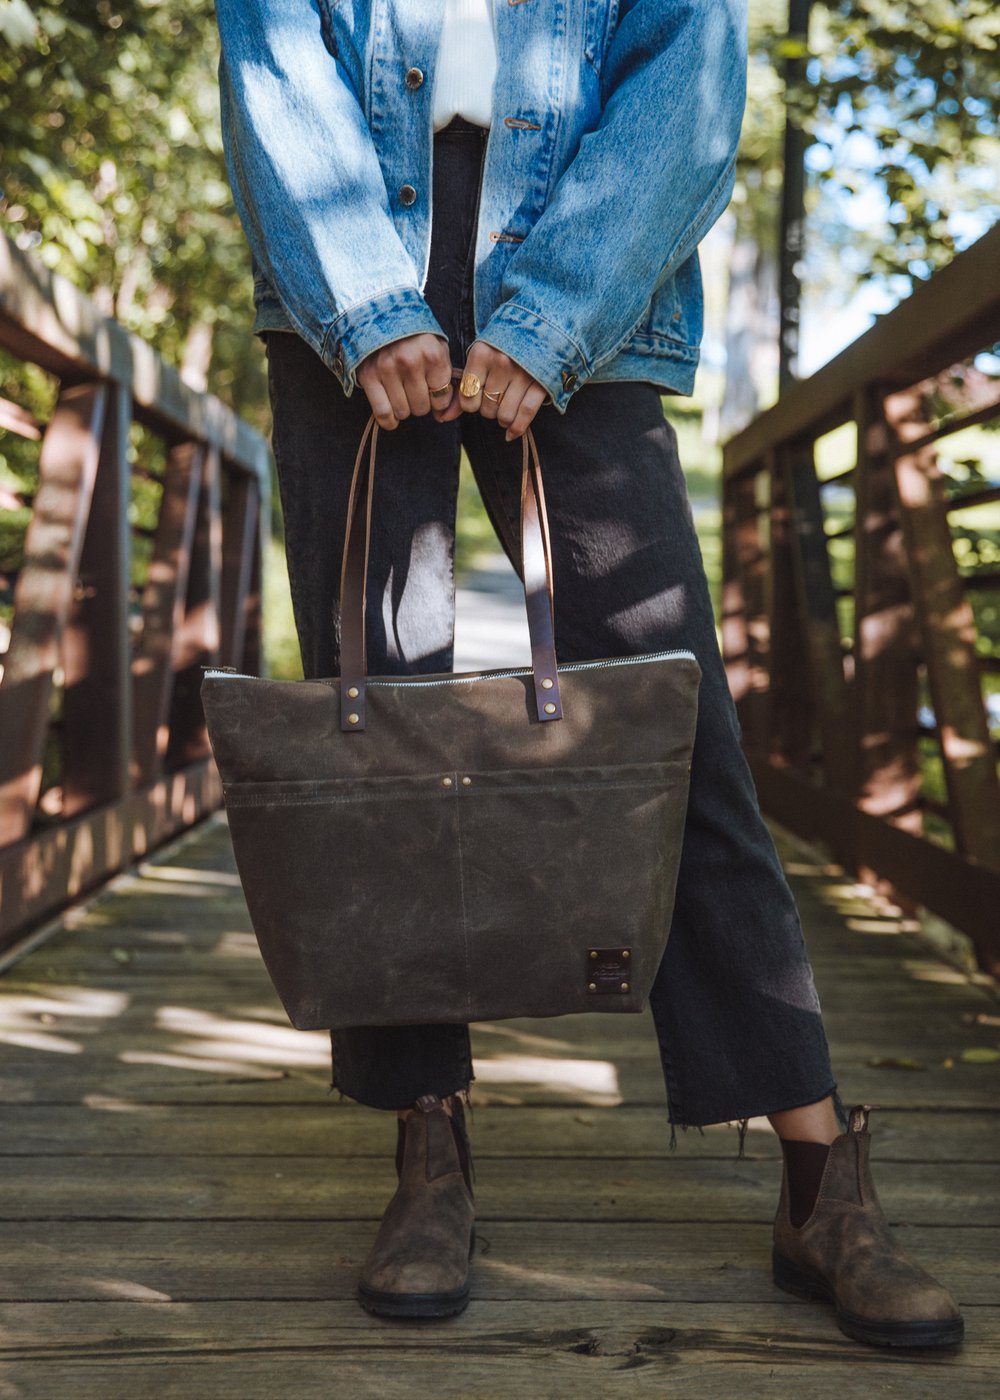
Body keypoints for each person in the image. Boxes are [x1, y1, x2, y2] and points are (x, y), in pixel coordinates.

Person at [213, 0, 963, 1347]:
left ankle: (815, 1169)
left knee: (675, 724)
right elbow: (273, 53)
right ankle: (426, 1145)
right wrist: (365, 301)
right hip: (345, 242)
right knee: (375, 725)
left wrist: (555, 311)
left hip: (584, 246)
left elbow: (688, 68)